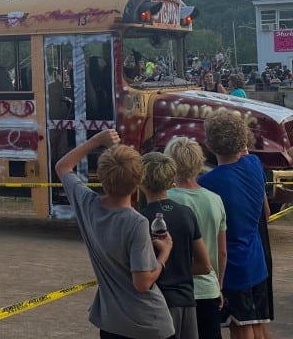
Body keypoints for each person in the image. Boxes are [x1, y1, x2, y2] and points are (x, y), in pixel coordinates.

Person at [56, 129, 175, 339]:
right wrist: (165, 254)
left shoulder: (87, 204)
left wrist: (97, 140)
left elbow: (63, 166)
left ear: (101, 177)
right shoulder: (137, 223)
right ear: (139, 181)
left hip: (112, 324)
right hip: (149, 325)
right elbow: (143, 283)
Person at [199, 110, 270, 338]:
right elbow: (265, 212)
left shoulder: (208, 182)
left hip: (233, 267)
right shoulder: (254, 163)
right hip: (257, 261)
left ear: (210, 143)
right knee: (257, 323)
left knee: (239, 327)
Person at [140, 152, 211, 339]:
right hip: (187, 302)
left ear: (140, 181)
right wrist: (180, 268)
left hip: (157, 304)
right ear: (172, 178)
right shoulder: (186, 213)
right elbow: (205, 265)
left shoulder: (139, 219)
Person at [165, 137, 227, 339]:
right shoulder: (215, 200)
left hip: (175, 291)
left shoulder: (167, 200)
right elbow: (222, 252)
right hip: (208, 289)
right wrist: (218, 285)